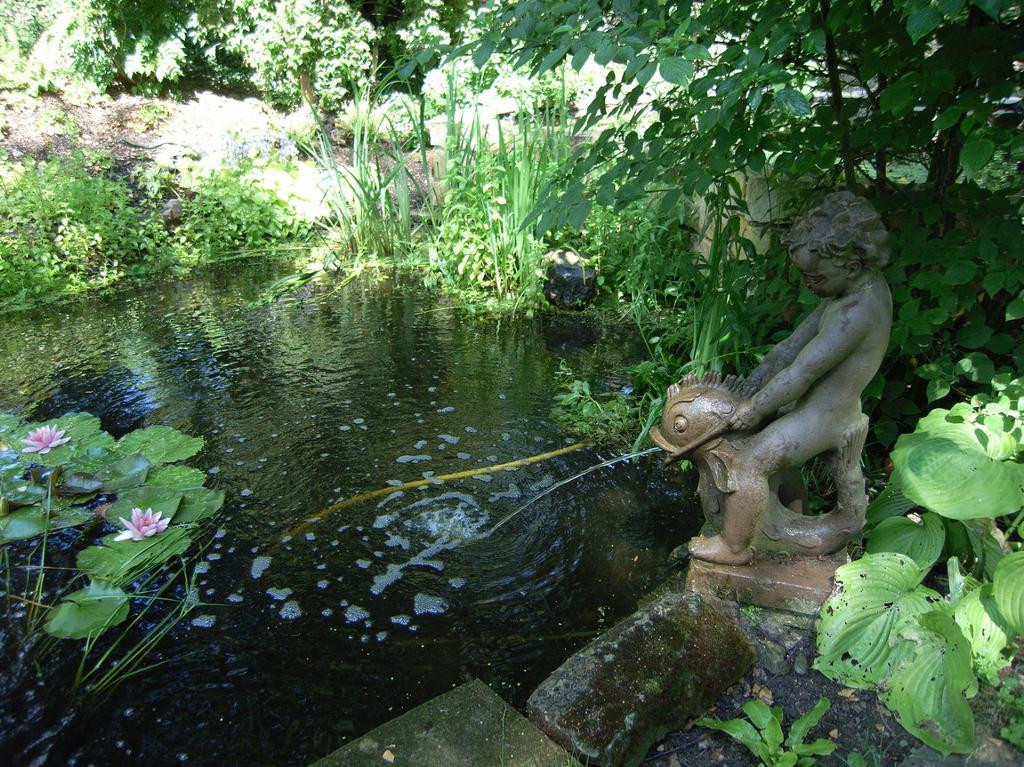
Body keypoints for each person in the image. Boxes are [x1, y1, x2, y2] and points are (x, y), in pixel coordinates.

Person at [686, 191, 893, 565]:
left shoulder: (859, 311)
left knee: (748, 462)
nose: (808, 284)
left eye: (815, 276)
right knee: (771, 444)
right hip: (815, 408)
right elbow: (789, 348)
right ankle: (790, 514)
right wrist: (752, 386)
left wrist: (756, 408)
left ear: (851, 265)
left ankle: (735, 547)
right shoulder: (847, 291)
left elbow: (803, 371)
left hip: (827, 416)